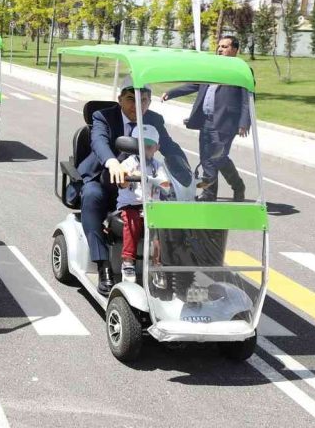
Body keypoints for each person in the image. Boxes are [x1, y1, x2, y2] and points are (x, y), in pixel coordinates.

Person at [77, 76, 185, 295]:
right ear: (119, 99)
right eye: (130, 99)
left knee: (175, 204)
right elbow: (98, 141)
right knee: (91, 195)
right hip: (106, 179)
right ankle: (103, 265)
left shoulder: (154, 119)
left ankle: (169, 266)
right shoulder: (103, 116)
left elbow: (169, 146)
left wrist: (186, 169)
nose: (138, 105)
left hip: (143, 187)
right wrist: (112, 162)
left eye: (144, 100)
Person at [161, 35, 250, 201]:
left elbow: (247, 99)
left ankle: (231, 188)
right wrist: (172, 92)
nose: (220, 49)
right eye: (219, 46)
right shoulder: (212, 67)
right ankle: (216, 192)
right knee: (207, 158)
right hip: (206, 120)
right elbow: (195, 84)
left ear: (235, 50)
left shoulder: (241, 70)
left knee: (216, 158)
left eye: (225, 46)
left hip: (225, 122)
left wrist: (244, 122)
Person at [115, 125, 171, 283]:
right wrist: (128, 176)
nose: (144, 150)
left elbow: (166, 184)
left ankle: (157, 264)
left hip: (152, 208)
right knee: (132, 221)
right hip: (131, 206)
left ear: (156, 148)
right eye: (140, 146)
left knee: (161, 227)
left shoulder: (158, 166)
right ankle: (128, 262)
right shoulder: (129, 163)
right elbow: (122, 182)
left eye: (149, 147)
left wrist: (159, 181)